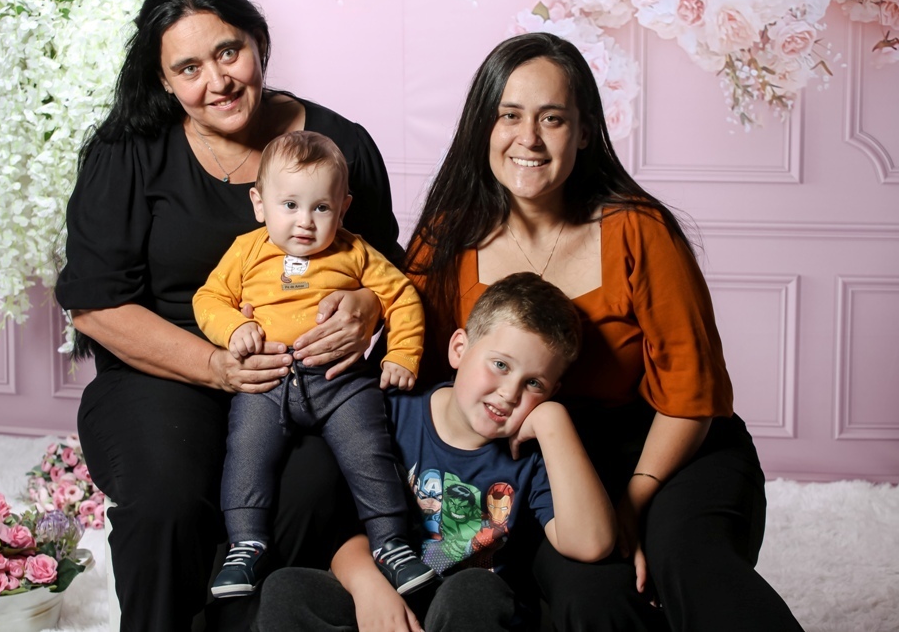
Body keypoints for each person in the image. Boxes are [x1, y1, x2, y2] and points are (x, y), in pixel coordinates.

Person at [403, 32, 805, 632]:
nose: (528, 138)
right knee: (591, 593)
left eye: (552, 119)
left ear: (585, 131)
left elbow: (692, 395)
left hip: (670, 446)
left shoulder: (639, 229)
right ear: (483, 126)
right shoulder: (447, 237)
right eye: (509, 115)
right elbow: (411, 357)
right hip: (545, 466)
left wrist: (633, 503)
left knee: (686, 563)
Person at [54, 0, 404, 632]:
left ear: (257, 43)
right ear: (163, 81)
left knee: (311, 493)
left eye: (227, 52)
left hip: (305, 375)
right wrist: (216, 367)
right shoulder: (126, 152)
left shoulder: (339, 145)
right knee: (166, 497)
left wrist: (366, 306)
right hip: (163, 371)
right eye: (188, 68)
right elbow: (96, 305)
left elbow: (388, 271)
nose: (217, 80)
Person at [254, 272, 617, 632]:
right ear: (459, 349)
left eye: (534, 383)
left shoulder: (533, 455)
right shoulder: (386, 413)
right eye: (501, 365)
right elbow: (341, 528)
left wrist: (554, 422)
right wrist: (368, 586)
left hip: (469, 613)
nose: (510, 393)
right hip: (381, 603)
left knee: (473, 588)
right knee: (286, 590)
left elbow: (591, 544)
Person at [192, 130, 434, 598]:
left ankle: (392, 544)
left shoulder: (354, 251)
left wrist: (403, 353)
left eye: (321, 208)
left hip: (341, 382)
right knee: (246, 452)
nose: (305, 222)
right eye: (290, 205)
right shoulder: (247, 250)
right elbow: (209, 298)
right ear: (260, 204)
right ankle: (245, 544)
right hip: (268, 380)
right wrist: (233, 329)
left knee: (369, 452)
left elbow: (402, 295)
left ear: (342, 208)